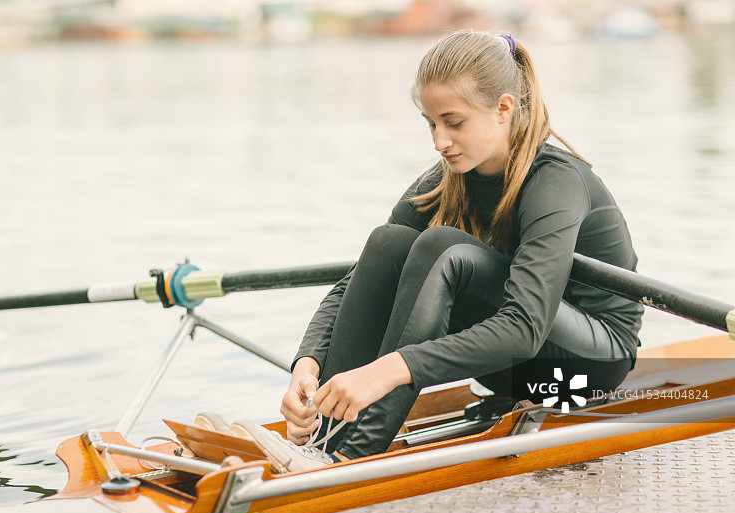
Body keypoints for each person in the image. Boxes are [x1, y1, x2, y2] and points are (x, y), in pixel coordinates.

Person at [236, 29, 643, 472]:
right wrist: (308, 363)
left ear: (503, 108)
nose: (439, 141)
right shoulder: (447, 176)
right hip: (505, 365)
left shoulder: (555, 182)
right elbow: (355, 281)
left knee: (443, 248)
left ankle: (349, 454)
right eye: (431, 123)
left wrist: (389, 369)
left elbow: (525, 327)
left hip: (587, 371)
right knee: (389, 242)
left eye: (454, 122)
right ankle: (323, 428)